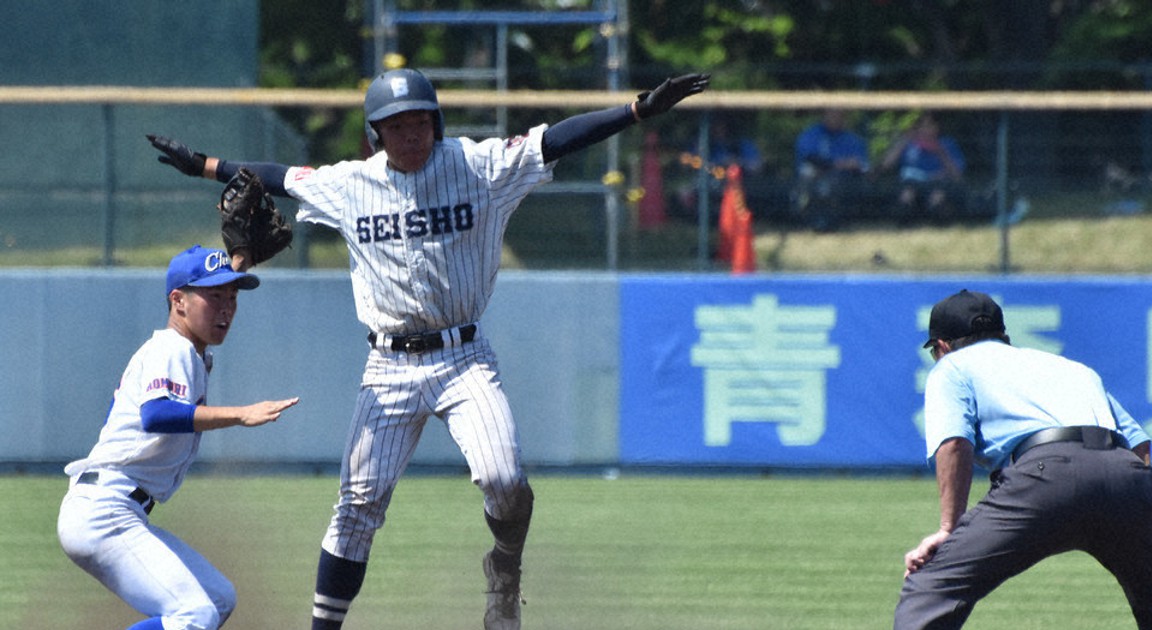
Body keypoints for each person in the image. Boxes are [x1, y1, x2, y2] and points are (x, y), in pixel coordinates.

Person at [147, 67, 709, 630]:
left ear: (436, 124)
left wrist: (635, 112)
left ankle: (504, 572)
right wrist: (202, 165)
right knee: (356, 509)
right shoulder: (350, 184)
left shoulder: (479, 166)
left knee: (504, 481)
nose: (411, 134)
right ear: (376, 135)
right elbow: (277, 177)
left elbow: (555, 138)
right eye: (397, 126)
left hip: (463, 358)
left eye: (420, 122)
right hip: (387, 365)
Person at [895, 289, 1152, 629]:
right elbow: (1140, 444)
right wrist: (1138, 514)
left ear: (942, 346)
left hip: (1045, 474)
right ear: (1002, 335)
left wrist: (948, 529)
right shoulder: (1070, 367)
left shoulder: (951, 366)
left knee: (931, 587)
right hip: (1124, 473)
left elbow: (953, 444)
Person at [57, 245, 300, 630]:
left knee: (218, 599)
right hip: (104, 511)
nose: (226, 309)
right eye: (215, 297)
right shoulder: (172, 348)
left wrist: (232, 268)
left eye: (232, 298)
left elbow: (202, 287)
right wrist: (241, 414)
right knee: (194, 613)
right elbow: (159, 415)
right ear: (178, 302)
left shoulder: (186, 350)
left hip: (115, 508)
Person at [878, 112, 967, 225]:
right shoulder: (908, 144)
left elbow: (957, 175)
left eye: (929, 126)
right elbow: (886, 165)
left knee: (937, 198)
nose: (925, 130)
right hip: (910, 183)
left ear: (937, 127)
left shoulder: (947, 143)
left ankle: (940, 222)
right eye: (921, 126)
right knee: (906, 195)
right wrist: (903, 141)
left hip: (937, 183)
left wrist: (940, 152)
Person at [793, 108, 870, 231]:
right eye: (832, 114)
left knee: (834, 183)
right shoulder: (811, 134)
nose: (835, 118)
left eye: (839, 114)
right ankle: (806, 217)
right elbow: (809, 159)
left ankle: (832, 221)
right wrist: (837, 164)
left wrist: (836, 166)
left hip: (842, 181)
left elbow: (861, 165)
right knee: (808, 173)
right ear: (824, 115)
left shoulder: (853, 139)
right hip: (814, 178)